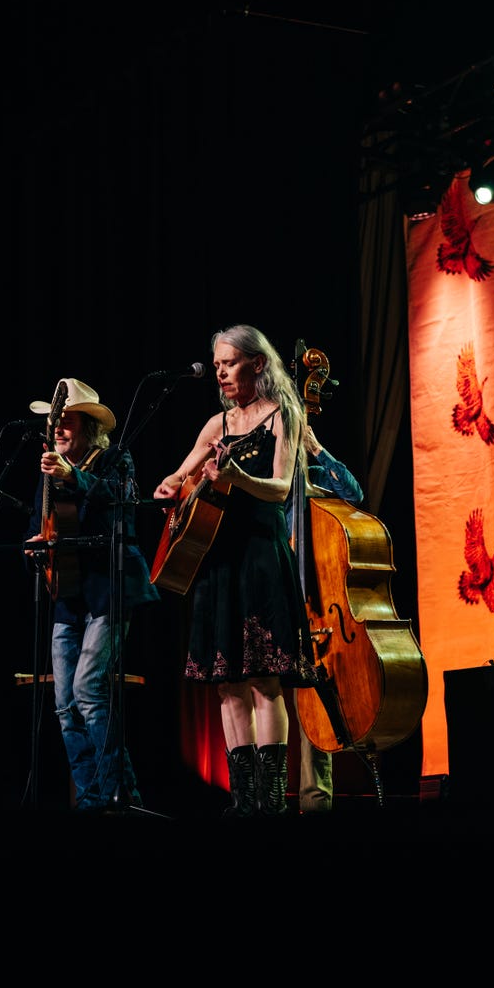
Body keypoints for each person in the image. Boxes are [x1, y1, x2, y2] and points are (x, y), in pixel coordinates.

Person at [154, 325, 318, 817]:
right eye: (218, 364)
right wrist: (171, 488)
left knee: (264, 679)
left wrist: (239, 477)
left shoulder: (282, 415)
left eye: (230, 362)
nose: (221, 372)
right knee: (227, 683)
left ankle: (270, 801)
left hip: (260, 558)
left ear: (258, 364)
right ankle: (244, 800)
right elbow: (177, 478)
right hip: (217, 561)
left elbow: (283, 486)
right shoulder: (216, 426)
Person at [24, 378, 160, 813]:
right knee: (65, 705)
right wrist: (34, 545)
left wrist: (75, 477)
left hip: (109, 587)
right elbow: (41, 525)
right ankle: (92, 800)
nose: (58, 428)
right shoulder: (48, 470)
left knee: (88, 689)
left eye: (67, 420)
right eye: (54, 422)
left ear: (88, 426)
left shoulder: (115, 459)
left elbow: (124, 504)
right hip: (67, 592)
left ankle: (123, 794)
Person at [285, 423, 365, 813]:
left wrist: (315, 447)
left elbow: (354, 493)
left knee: (313, 712)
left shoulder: (313, 476)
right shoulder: (262, 480)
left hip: (316, 612)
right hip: (272, 601)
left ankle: (313, 803)